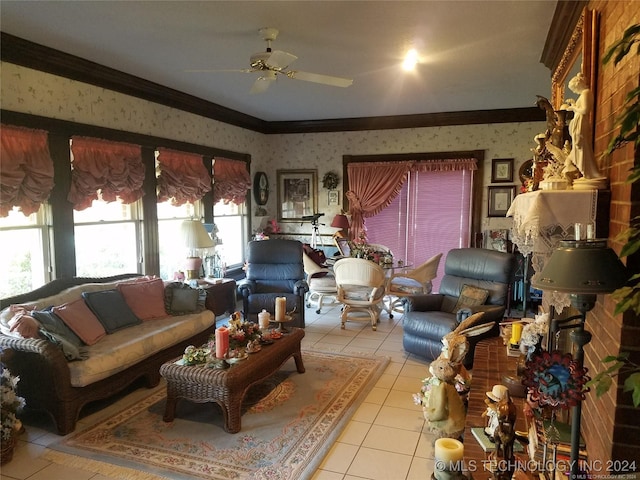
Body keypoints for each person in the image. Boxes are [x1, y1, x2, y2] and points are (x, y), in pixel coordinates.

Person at [562, 73, 602, 179]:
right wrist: (574, 105)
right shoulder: (584, 93)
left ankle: (590, 173)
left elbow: (585, 110)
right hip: (578, 122)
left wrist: (573, 108)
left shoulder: (586, 93)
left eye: (574, 89)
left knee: (583, 148)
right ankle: (587, 173)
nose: (575, 91)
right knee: (580, 148)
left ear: (578, 85)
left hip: (581, 122)